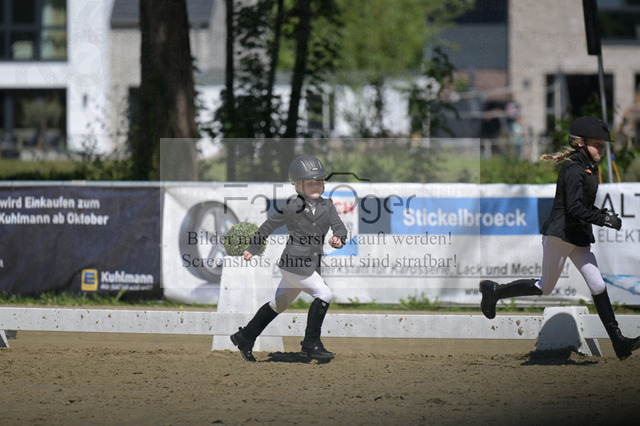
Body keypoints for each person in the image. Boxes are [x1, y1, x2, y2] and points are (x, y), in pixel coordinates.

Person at [479, 115, 640, 361]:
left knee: (598, 285)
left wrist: (603, 215)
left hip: (577, 235)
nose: (601, 149)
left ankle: (619, 343)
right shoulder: (573, 169)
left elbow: (583, 206)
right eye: (597, 144)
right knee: (544, 287)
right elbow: (573, 209)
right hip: (561, 235)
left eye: (602, 145)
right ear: (580, 143)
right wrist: (603, 220)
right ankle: (494, 291)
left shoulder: (589, 168)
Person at [230, 155, 348, 362]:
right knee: (324, 293)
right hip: (294, 263)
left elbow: (339, 226)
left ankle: (245, 337)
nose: (316, 186)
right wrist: (254, 247)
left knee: (278, 304)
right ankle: (311, 344)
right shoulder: (293, 206)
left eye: (319, 182)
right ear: (298, 185)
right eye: (311, 183)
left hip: (310, 264)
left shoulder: (327, 206)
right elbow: (269, 225)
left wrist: (339, 238)